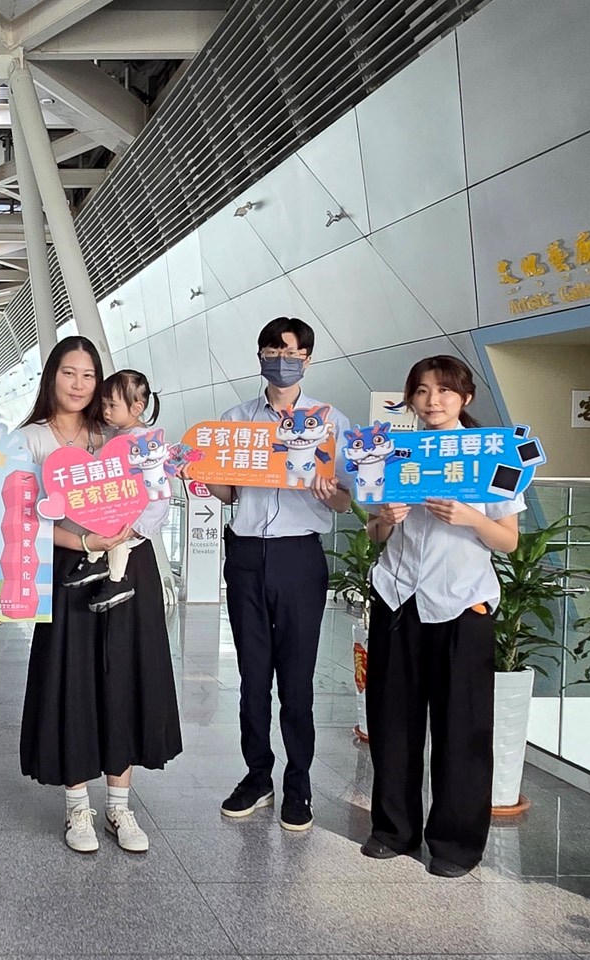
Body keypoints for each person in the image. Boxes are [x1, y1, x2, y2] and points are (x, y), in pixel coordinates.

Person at [19, 336, 181, 854]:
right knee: (74, 680)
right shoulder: (30, 440)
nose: (79, 385)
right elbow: (22, 516)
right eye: (70, 373)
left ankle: (119, 807)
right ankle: (78, 810)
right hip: (71, 568)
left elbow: (155, 490)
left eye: (89, 376)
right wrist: (83, 540)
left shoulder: (116, 435)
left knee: (125, 677)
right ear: (51, 376)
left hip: (131, 564)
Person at [361, 355, 522, 878]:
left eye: (445, 391)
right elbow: (375, 535)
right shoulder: (393, 453)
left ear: (466, 398)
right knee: (393, 723)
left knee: (461, 729)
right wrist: (383, 518)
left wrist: (472, 516)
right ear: (409, 397)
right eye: (423, 390)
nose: (433, 400)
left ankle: (455, 845)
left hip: (462, 603)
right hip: (398, 599)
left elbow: (510, 542)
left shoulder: (492, 455)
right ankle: (393, 830)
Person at [207, 316, 351, 832]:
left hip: (298, 556)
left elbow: (344, 501)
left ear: (307, 357)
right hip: (245, 554)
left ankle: (300, 783)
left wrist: (327, 490)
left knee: (296, 677)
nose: (279, 357)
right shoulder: (236, 419)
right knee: (251, 676)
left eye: (289, 350)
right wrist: (201, 478)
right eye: (270, 348)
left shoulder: (331, 420)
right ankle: (257, 775)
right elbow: (228, 493)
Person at [65, 369, 165, 613]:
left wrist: (140, 525)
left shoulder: (145, 441)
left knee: (115, 532)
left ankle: (114, 579)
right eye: (104, 404)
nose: (106, 411)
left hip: (132, 516)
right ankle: (98, 566)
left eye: (112, 405)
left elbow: (158, 487)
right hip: (116, 507)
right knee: (108, 528)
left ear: (136, 408)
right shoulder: (116, 434)